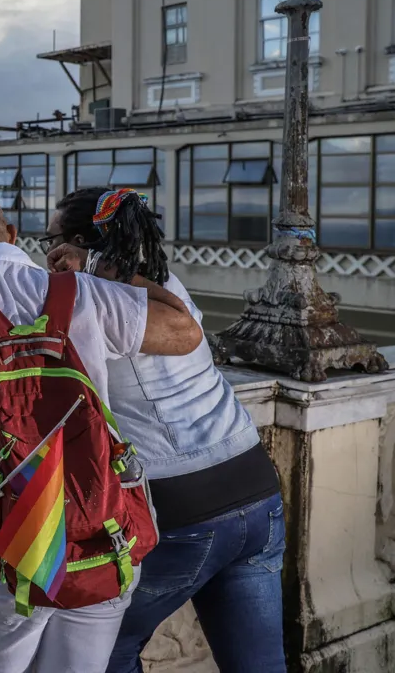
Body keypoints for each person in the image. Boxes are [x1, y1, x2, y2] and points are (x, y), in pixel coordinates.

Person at [0, 193, 203, 672]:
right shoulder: (78, 290)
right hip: (99, 530)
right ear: (12, 234)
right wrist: (97, 265)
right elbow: (185, 330)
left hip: (10, 543)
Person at [43, 187, 286, 673]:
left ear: (73, 244)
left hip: (182, 506)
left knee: (102, 652)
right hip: (256, 488)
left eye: (47, 238)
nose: (42, 250)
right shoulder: (162, 280)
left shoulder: (91, 297)